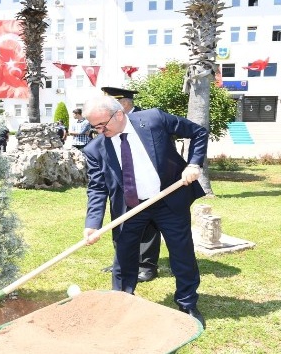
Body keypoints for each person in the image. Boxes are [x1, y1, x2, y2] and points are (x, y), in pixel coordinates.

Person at [81, 95, 208, 329]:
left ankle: (187, 303)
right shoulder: (95, 149)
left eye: (102, 125)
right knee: (124, 258)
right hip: (130, 208)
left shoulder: (153, 120)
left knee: (182, 253)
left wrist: (194, 164)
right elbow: (97, 188)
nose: (99, 131)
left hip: (169, 199)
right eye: (94, 126)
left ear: (118, 114)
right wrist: (92, 223)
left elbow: (198, 132)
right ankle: (121, 302)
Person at [99, 87, 161, 282]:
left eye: (109, 107)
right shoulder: (109, 124)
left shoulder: (146, 121)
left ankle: (147, 265)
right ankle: (122, 261)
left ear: (124, 104)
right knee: (120, 222)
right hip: (120, 184)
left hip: (145, 184)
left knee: (148, 225)